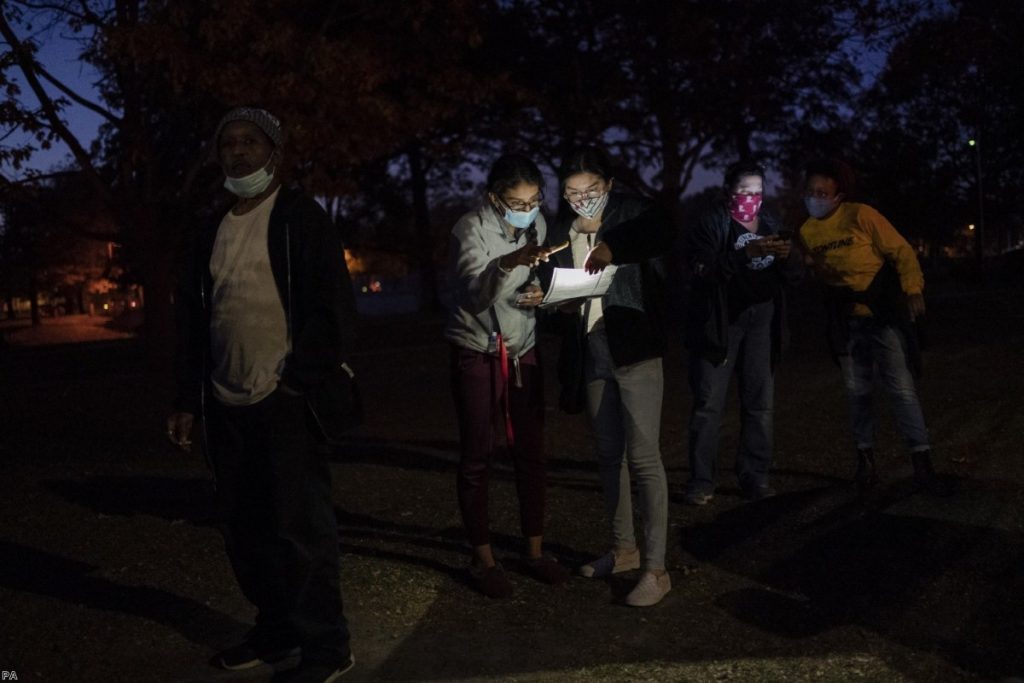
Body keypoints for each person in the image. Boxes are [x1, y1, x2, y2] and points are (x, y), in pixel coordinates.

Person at [167, 107, 357, 683]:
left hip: (284, 398)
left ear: (274, 152)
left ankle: (327, 647)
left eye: (251, 141)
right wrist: (185, 396)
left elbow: (335, 309)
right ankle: (275, 630)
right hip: (225, 399)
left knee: (299, 528)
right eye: (228, 143)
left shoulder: (301, 217)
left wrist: (300, 376)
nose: (238, 152)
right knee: (243, 528)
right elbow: (195, 320)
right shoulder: (211, 227)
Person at [540, 147, 677, 607]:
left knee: (644, 458)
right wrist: (552, 301)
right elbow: (552, 279)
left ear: (609, 186)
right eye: (572, 193)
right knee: (607, 454)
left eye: (591, 190)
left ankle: (657, 570)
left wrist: (613, 245)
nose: (582, 199)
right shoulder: (562, 230)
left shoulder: (631, 211)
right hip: (591, 352)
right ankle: (624, 551)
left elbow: (662, 230)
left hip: (634, 348)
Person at [444, 153, 569, 598]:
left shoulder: (535, 226)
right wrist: (510, 261)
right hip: (478, 350)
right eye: (518, 201)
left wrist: (539, 292)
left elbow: (530, 281)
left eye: (535, 199)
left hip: (523, 348)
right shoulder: (469, 230)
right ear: (495, 198)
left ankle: (533, 550)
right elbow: (475, 295)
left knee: (532, 451)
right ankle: (483, 557)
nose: (528, 208)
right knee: (478, 454)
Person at [798, 159, 950, 497]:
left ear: (838, 196)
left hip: (881, 316)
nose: (814, 198)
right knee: (857, 393)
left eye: (822, 192)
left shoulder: (861, 215)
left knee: (901, 388)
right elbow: (820, 273)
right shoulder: (808, 231)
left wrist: (912, 289)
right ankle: (865, 462)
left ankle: (921, 463)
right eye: (809, 192)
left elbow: (900, 251)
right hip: (848, 320)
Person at [684, 161, 802, 505]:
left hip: (762, 320)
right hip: (720, 322)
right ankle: (702, 481)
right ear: (728, 193)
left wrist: (787, 255)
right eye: (743, 191)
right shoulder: (711, 224)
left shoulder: (771, 223)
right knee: (708, 403)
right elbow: (702, 271)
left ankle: (755, 475)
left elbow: (795, 277)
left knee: (760, 403)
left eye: (757, 192)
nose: (751, 199)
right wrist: (744, 253)